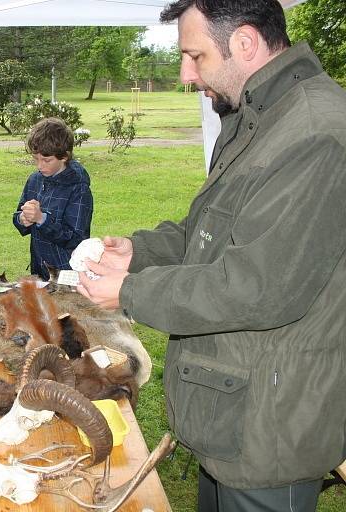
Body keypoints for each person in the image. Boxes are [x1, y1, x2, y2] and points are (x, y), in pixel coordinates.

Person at [76, 1, 346, 510]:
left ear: (244, 43)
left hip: (273, 424)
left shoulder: (314, 132)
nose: (184, 74)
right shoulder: (257, 118)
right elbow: (211, 231)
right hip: (233, 405)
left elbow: (260, 286)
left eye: (193, 56)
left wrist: (130, 291)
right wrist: (139, 252)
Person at [12, 117, 93, 281]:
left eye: (46, 160)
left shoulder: (78, 188)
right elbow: (19, 216)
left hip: (67, 272)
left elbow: (76, 239)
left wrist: (42, 219)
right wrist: (22, 219)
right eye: (36, 159)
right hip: (40, 268)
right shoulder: (35, 179)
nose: (40, 166)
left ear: (64, 156)